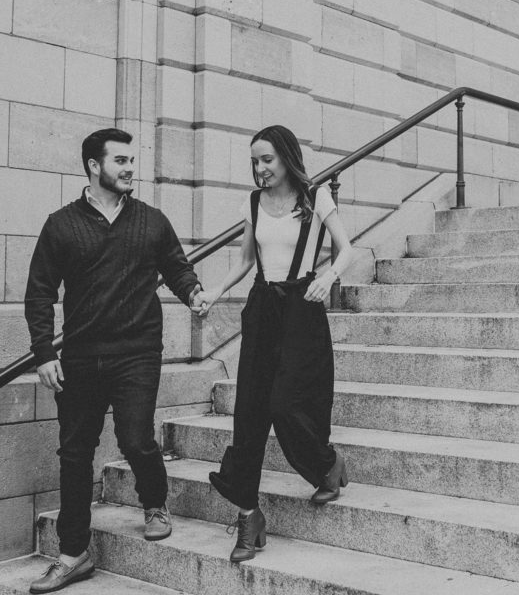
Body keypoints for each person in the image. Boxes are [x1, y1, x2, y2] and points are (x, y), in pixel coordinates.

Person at [24, 128, 207, 594]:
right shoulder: (62, 224)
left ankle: (155, 502)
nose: (130, 168)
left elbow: (176, 266)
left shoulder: (151, 220)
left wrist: (193, 292)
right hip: (81, 356)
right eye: (121, 161)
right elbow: (40, 292)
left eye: (132, 160)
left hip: (137, 352)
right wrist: (44, 352)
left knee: (136, 438)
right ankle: (72, 554)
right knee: (74, 453)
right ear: (93, 165)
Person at [197, 124, 356, 563]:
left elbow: (347, 248)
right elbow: (248, 260)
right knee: (249, 413)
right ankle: (249, 517)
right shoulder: (253, 202)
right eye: (254, 161)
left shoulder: (315, 196)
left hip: (302, 307)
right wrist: (214, 292)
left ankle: (326, 465)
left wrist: (328, 276)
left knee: (286, 404)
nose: (260, 168)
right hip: (263, 307)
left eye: (266, 159)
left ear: (286, 157)